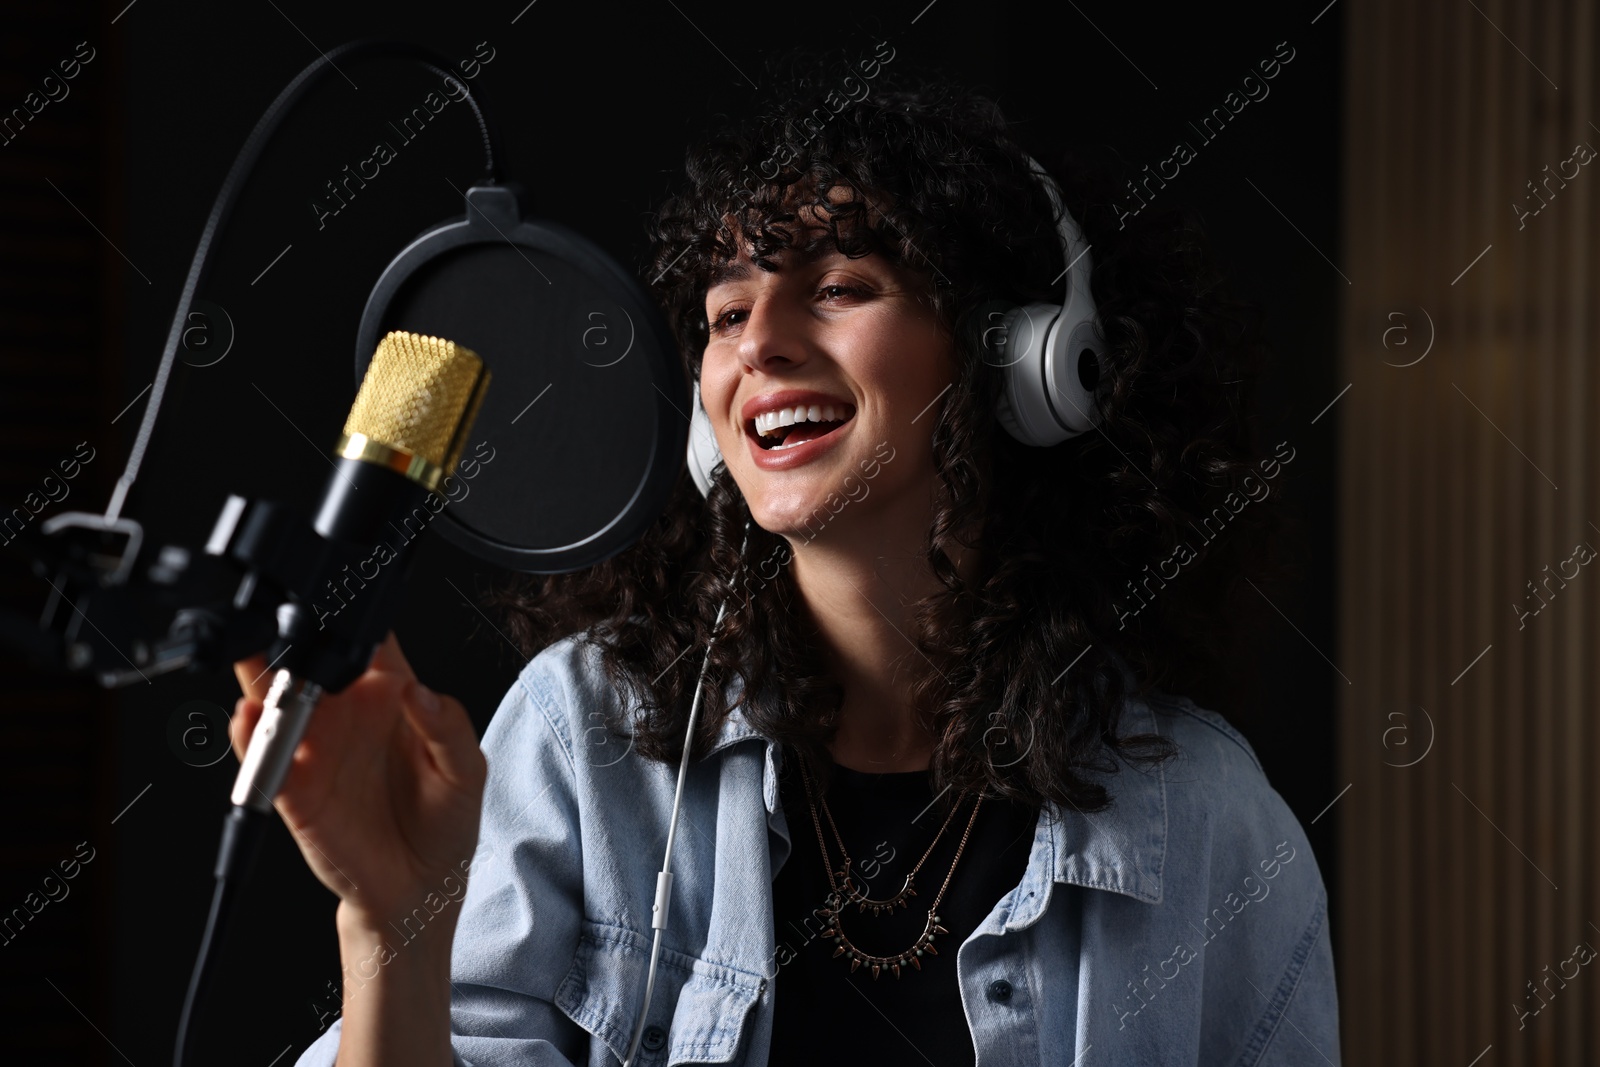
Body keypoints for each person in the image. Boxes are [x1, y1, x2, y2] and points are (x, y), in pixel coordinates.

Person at [236, 62, 1340, 1067]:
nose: (757, 338)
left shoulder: (1205, 816)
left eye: (840, 286)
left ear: (1026, 362)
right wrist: (391, 925)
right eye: (725, 308)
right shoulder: (589, 735)